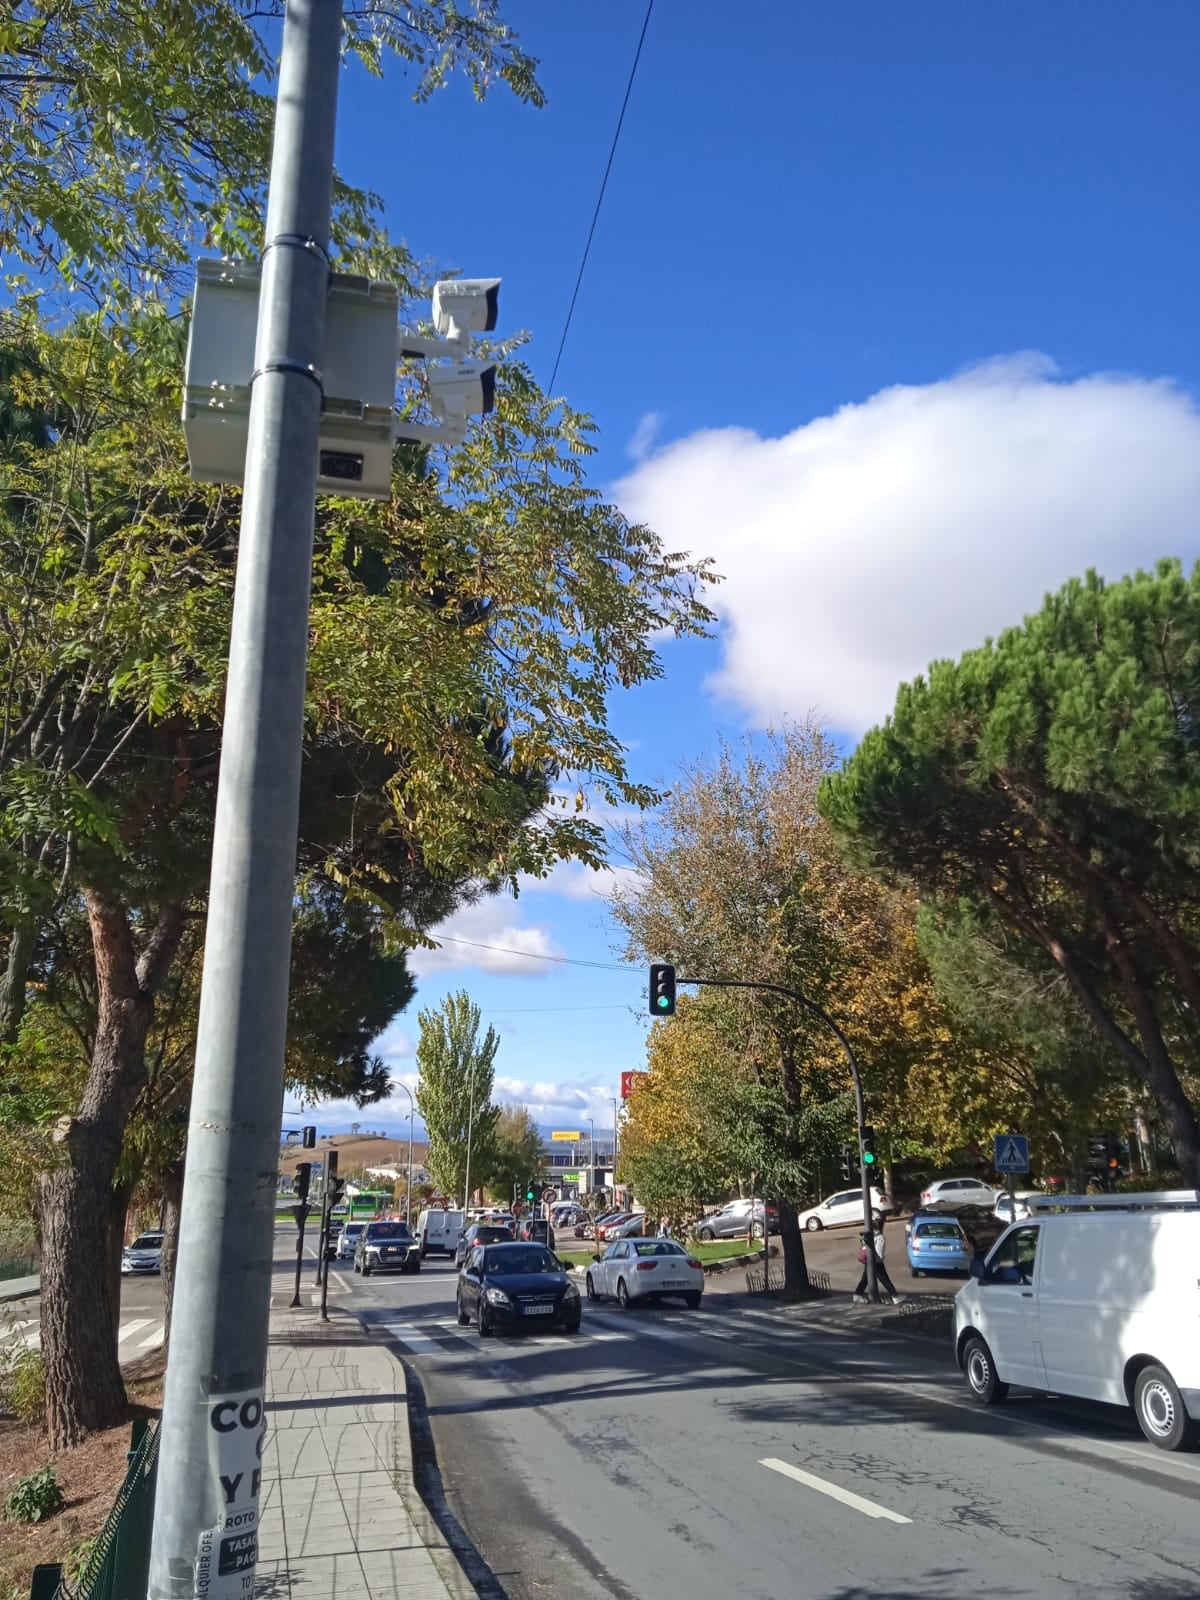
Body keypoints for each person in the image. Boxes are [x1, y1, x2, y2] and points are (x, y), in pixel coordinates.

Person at [853, 1225, 901, 1304]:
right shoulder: (879, 1237)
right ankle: (894, 1296)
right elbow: (879, 1253)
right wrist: (881, 1258)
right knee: (884, 1279)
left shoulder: (868, 1236)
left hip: (868, 1260)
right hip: (876, 1261)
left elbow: (863, 1244)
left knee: (866, 1278)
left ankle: (857, 1294)